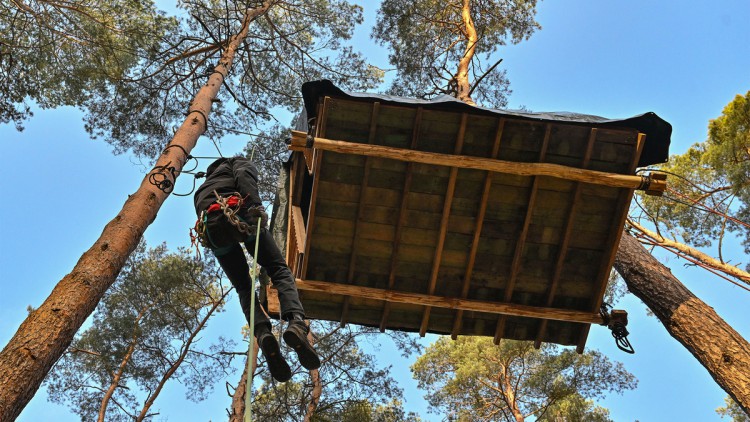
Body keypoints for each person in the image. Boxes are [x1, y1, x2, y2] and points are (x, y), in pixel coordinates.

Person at [193, 156, 320, 382]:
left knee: (243, 287)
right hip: (238, 214)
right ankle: (296, 323)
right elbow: (244, 175)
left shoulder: (203, 188)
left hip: (212, 231)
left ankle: (262, 334)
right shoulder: (236, 163)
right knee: (278, 268)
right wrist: (255, 206)